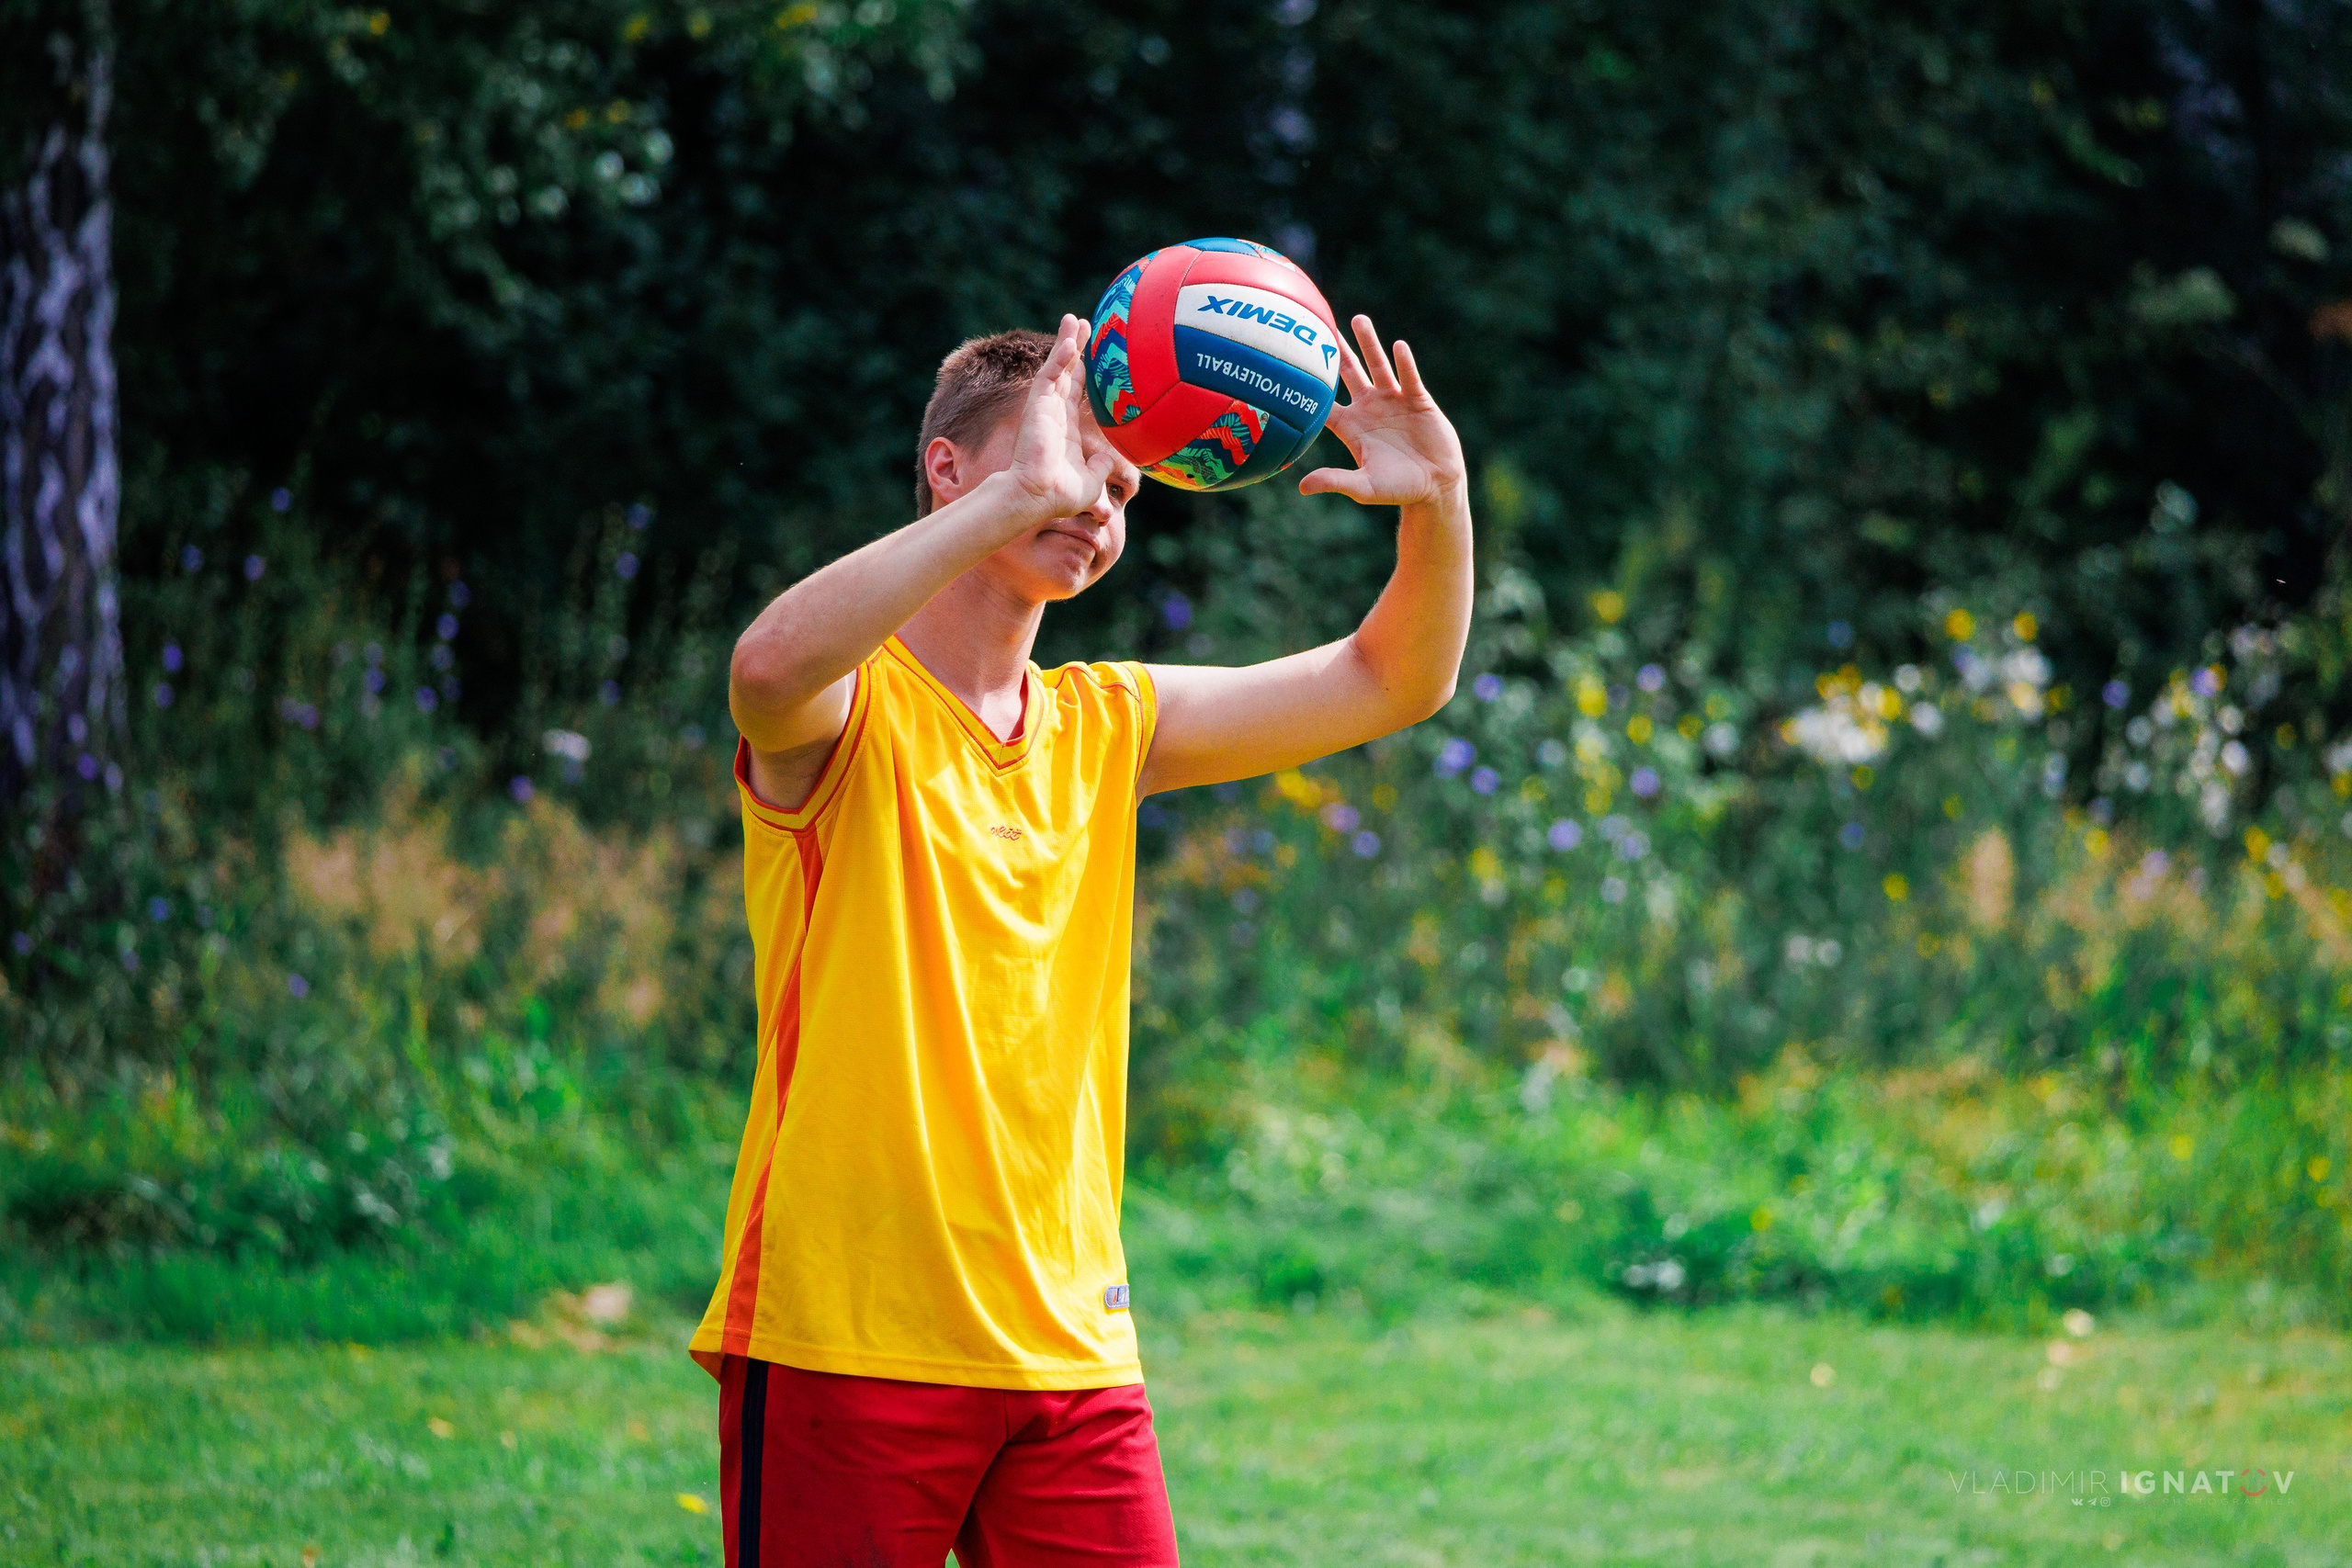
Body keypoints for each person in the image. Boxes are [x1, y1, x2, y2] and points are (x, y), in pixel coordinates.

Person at [695, 309, 1472, 1566]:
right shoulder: (855, 706)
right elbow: (767, 670)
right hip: (845, 1336)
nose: (1096, 506)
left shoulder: (1107, 724)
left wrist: (1439, 502)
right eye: (1061, 466)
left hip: (1070, 1348)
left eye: (1119, 487)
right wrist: (1017, 502)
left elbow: (1396, 680)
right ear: (949, 472)